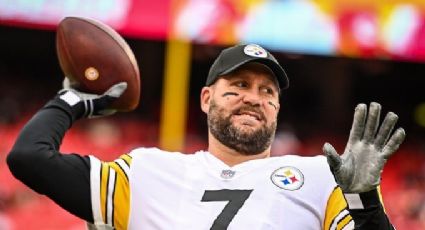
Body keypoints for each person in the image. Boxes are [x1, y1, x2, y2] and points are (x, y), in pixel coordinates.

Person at [7, 43, 405, 230]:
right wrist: (74, 98)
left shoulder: (321, 176)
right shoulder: (147, 171)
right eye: (239, 85)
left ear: (278, 109)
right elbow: (29, 158)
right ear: (205, 98)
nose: (254, 98)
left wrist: (363, 200)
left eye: (268, 92)